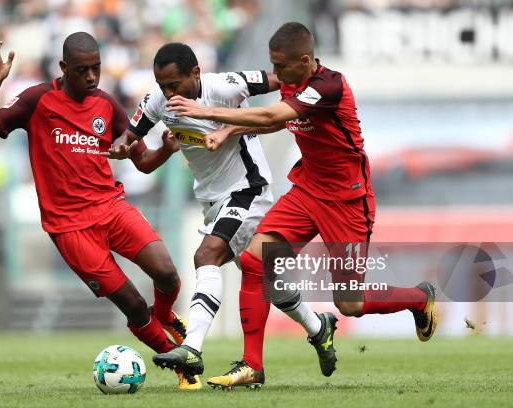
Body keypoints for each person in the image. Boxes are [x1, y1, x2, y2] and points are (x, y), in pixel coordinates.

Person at [166, 22, 437, 389]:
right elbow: (278, 123)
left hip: (346, 201)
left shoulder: (329, 86)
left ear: (305, 60)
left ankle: (418, 298)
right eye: (272, 65)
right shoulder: (294, 81)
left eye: (280, 66)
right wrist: (232, 131)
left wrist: (203, 113)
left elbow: (271, 116)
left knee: (350, 304)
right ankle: (252, 365)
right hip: (307, 190)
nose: (275, 74)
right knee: (254, 260)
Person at [108, 42, 338, 390]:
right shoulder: (156, 100)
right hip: (212, 199)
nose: (168, 93)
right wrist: (124, 145)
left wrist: (310, 92)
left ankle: (192, 348)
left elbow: (280, 79)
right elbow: (132, 134)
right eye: (162, 85)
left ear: (196, 74)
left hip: (249, 189)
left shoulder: (226, 86)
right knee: (264, 278)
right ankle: (320, 329)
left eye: (175, 85)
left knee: (206, 256)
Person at [0, 32, 194, 389]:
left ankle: (166, 315)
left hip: (111, 207)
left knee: (167, 272)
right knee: (135, 306)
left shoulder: (106, 105)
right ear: (63, 68)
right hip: (70, 228)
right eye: (82, 70)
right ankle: (180, 363)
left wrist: (167, 150)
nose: (91, 77)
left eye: (96, 69)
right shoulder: (37, 100)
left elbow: (144, 163)